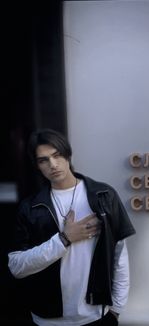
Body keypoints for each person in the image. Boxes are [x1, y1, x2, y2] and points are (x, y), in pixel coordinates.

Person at [8, 128, 136, 326]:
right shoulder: (30, 207)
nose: (53, 164)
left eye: (57, 155)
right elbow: (16, 266)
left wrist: (117, 309)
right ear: (37, 166)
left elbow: (119, 255)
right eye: (43, 160)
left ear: (67, 154)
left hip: (97, 315)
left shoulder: (104, 196)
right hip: (47, 319)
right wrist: (64, 239)